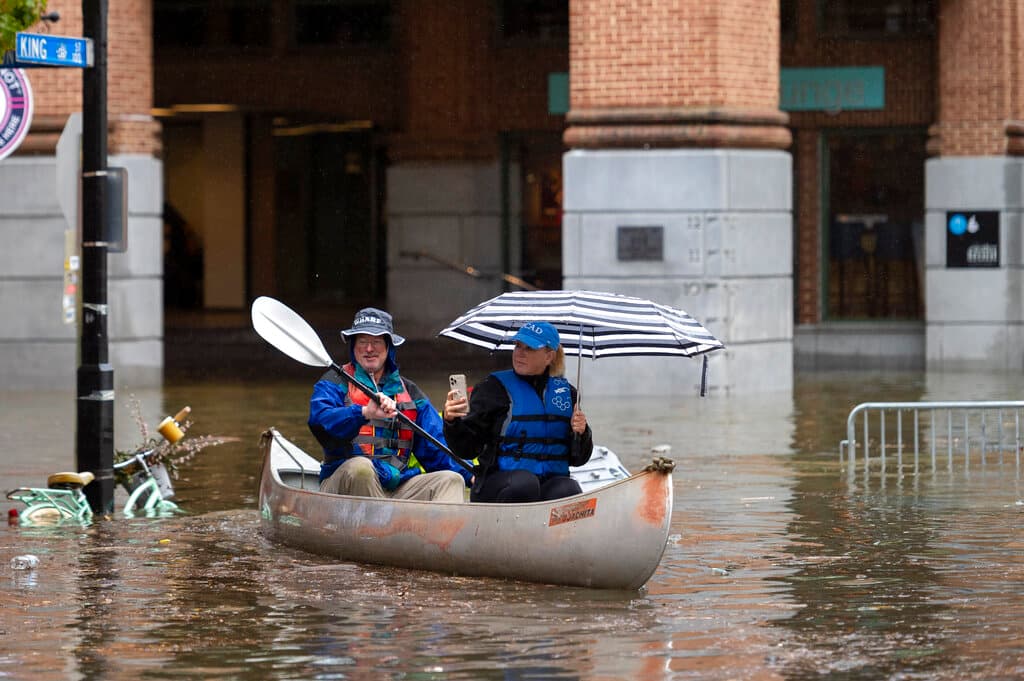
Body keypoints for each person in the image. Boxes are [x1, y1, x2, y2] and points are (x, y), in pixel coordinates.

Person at [309, 307, 472, 501]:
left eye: (377, 341)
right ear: (353, 346)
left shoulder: (411, 393)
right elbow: (320, 421)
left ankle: (443, 530)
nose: (369, 349)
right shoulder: (333, 383)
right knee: (361, 468)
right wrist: (363, 412)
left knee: (450, 479)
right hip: (344, 487)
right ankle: (368, 530)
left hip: (395, 486)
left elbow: (435, 448)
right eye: (363, 342)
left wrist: (471, 475)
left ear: (388, 347)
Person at [442, 321, 592, 502]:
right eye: (518, 346)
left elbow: (578, 459)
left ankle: (553, 529)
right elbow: (466, 450)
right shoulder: (492, 388)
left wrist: (582, 434)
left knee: (568, 488)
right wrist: (452, 422)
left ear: (549, 356)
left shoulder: (568, 394)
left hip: (545, 485)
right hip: (498, 485)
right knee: (524, 483)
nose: (520, 353)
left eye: (529, 348)